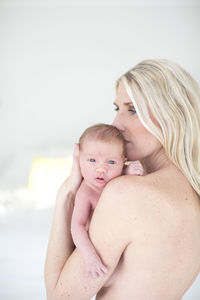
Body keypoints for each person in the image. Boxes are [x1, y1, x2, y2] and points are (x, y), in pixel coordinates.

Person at [44, 59, 200, 300]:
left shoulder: (125, 194)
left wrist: (67, 193)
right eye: (118, 109)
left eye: (133, 110)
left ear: (172, 114)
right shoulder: (194, 195)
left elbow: (59, 296)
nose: (117, 124)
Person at [71, 123, 145, 279]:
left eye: (111, 162)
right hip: (98, 250)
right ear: (79, 159)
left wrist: (127, 172)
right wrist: (90, 256)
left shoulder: (117, 178)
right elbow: (77, 226)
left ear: (123, 162)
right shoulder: (86, 192)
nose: (101, 169)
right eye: (91, 160)